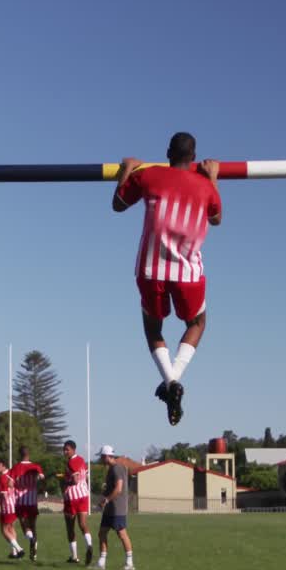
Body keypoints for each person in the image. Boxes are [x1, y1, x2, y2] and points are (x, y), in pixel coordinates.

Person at [112, 133, 223, 426]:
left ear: (167, 153)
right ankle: (174, 379)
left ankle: (171, 382)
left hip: (151, 270)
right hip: (187, 272)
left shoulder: (149, 175)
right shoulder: (204, 187)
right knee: (198, 324)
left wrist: (127, 169)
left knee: (153, 328)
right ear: (194, 156)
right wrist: (212, 177)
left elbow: (119, 204)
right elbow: (216, 218)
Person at [92, 445, 134, 570]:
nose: (100, 459)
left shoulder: (117, 468)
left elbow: (118, 488)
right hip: (110, 508)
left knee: (121, 533)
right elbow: (111, 488)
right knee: (102, 533)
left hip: (117, 508)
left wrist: (107, 499)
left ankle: (130, 563)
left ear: (106, 456)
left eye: (101, 457)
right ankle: (101, 563)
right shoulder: (111, 469)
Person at [59, 440, 93, 565]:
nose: (65, 451)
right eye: (64, 449)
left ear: (73, 449)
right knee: (83, 524)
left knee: (70, 527)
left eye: (67, 449)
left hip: (72, 497)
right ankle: (89, 545)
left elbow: (75, 480)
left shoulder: (71, 462)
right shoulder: (82, 460)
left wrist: (64, 482)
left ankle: (74, 556)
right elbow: (85, 477)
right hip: (84, 495)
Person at [9, 445, 46, 562]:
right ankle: (33, 554)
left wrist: (15, 484)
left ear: (19, 455)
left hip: (20, 501)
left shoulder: (15, 468)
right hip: (32, 501)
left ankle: (31, 539)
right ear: (28, 454)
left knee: (24, 526)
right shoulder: (36, 467)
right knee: (33, 526)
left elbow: (10, 483)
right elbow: (42, 478)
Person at [0, 458, 25, 559]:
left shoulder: (2, 477)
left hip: (6, 507)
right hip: (14, 505)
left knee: (4, 530)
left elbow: (3, 494)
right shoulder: (11, 474)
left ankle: (19, 549)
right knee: (11, 528)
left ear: (4, 466)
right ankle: (14, 552)